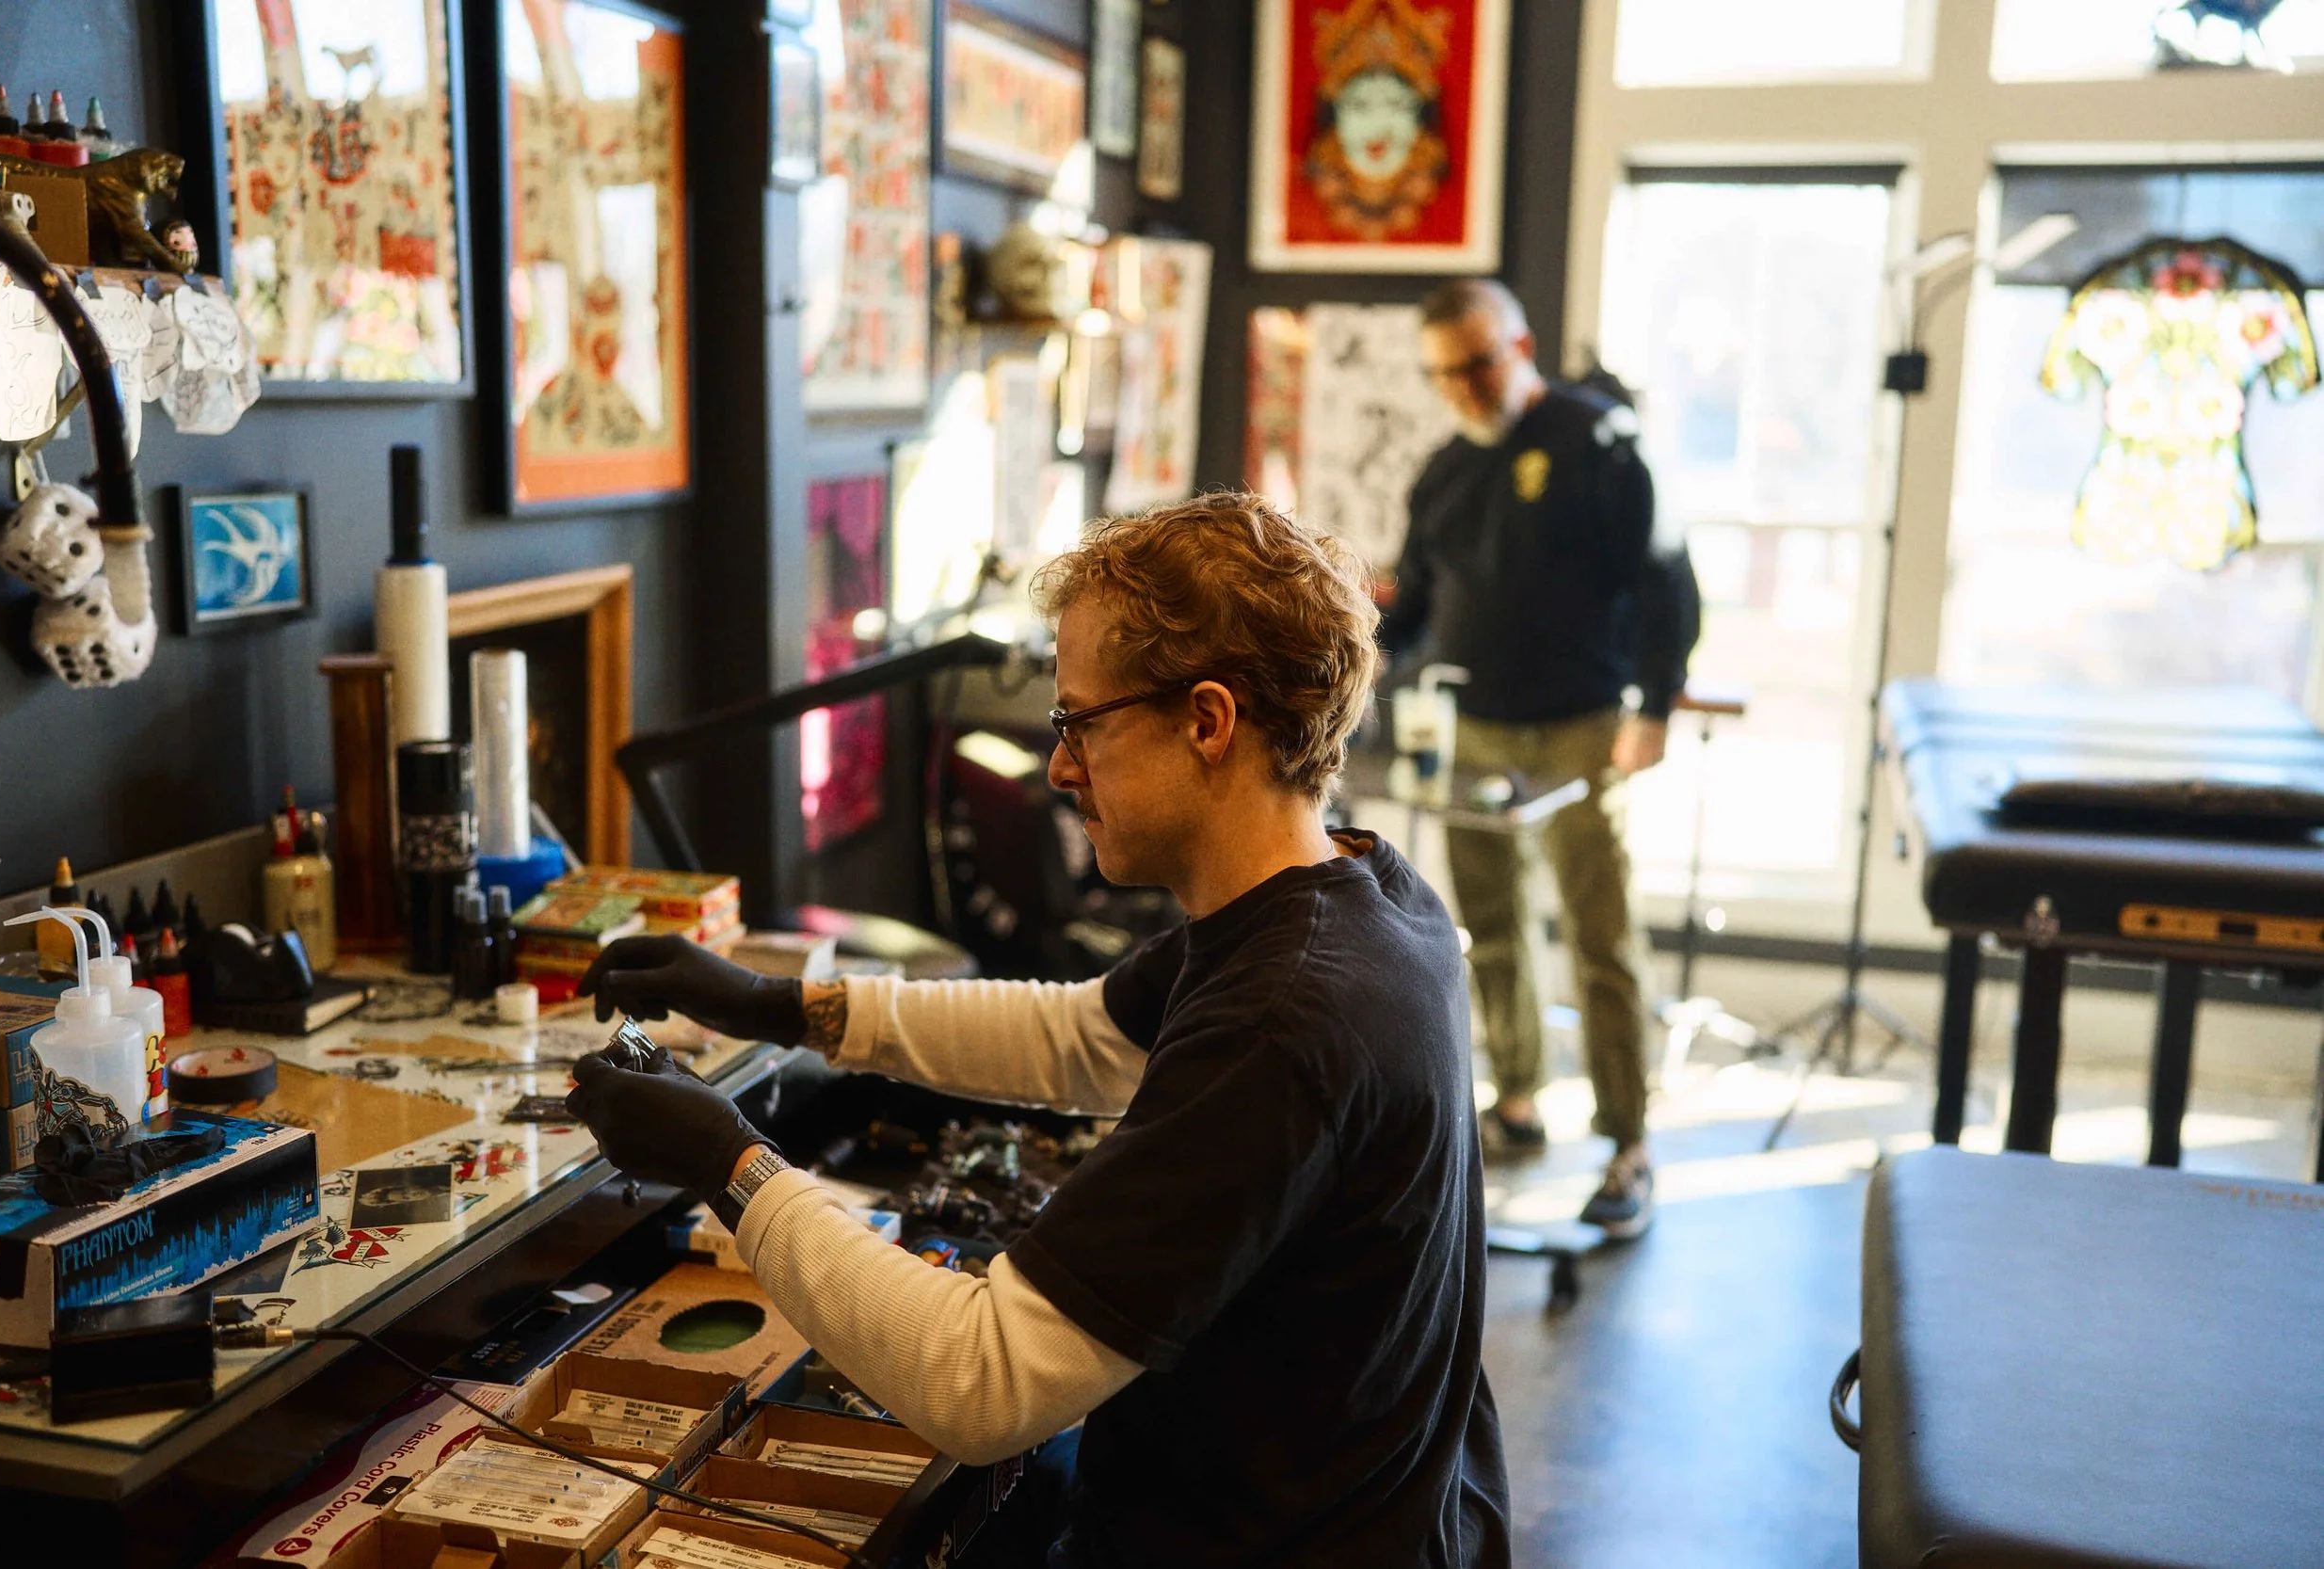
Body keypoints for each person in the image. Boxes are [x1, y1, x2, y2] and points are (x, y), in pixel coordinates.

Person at [568, 493, 1510, 1568]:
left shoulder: (1283, 1016)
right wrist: (772, 1004)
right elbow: (1080, 1034)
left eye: (1080, 723)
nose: (1060, 767)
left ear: (1207, 719)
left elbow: (982, 1380)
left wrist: (726, 1162)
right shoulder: (1354, 892)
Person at [1380, 279, 1699, 1241]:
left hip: (1581, 726)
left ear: (1519, 345)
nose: (1465, 386)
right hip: (1473, 726)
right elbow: (1413, 607)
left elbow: (1667, 581)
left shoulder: (1598, 444)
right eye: (1445, 373)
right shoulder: (1443, 471)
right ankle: (1516, 1098)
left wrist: (1651, 707)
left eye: (1479, 362)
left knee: (1599, 935)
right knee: (1487, 929)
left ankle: (1627, 1139)